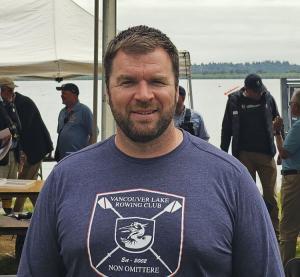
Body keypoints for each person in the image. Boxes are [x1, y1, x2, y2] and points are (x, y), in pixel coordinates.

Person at [18, 25, 284, 276]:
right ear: (107, 91)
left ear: (176, 90)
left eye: (157, 81)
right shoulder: (65, 178)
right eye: (127, 82)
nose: (144, 95)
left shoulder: (232, 179)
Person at [220, 73, 281, 236]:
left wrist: (281, 148)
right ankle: (251, 231)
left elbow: (277, 122)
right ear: (246, 89)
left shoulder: (268, 98)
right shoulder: (234, 101)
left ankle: (274, 232)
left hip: (267, 154)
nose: (259, 93)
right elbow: (227, 128)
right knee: (247, 196)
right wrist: (223, 155)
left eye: (260, 90)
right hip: (244, 155)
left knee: (271, 196)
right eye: (256, 91)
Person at [12, 90, 53, 212]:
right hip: (33, 149)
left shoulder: (23, 103)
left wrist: (21, 151)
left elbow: (23, 129)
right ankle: (44, 213)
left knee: (25, 183)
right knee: (30, 184)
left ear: (7, 92)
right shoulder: (19, 102)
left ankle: (16, 211)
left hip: (36, 150)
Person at [273, 89, 300, 266]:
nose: (290, 106)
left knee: (287, 230)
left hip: (294, 180)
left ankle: (285, 268)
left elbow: (284, 152)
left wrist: (277, 131)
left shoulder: (298, 127)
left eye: (291, 103)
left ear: (297, 106)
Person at [0, 77, 24, 215]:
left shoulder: (11, 105)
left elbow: (18, 128)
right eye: (10, 90)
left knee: (10, 187)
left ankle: (8, 214)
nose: (12, 93)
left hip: (13, 152)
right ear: (2, 90)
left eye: (13, 90)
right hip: (2, 153)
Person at [54, 83, 93, 161]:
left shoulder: (84, 110)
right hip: (63, 159)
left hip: (78, 158)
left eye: (64, 93)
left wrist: (87, 153)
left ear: (74, 94)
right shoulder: (62, 112)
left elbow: (94, 133)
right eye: (61, 93)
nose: (61, 96)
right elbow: (60, 133)